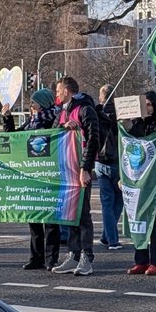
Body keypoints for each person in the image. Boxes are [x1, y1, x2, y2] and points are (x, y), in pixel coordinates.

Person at [51, 76, 100, 276]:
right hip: (66, 169)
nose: (56, 94)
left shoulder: (85, 110)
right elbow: (52, 134)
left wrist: (85, 168)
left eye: (58, 90)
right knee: (70, 213)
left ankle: (87, 257)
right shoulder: (62, 111)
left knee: (83, 214)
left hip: (80, 169)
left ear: (67, 90)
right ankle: (73, 254)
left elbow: (94, 139)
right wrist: (63, 128)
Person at [126, 90, 156, 275]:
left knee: (154, 221)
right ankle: (141, 260)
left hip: (153, 180)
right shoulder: (136, 124)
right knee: (137, 220)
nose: (147, 108)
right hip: (136, 180)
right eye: (144, 104)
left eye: (150, 104)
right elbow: (126, 149)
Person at [20, 88, 63, 270]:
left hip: (49, 175)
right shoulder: (31, 121)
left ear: (43, 103)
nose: (31, 105)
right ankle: (36, 257)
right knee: (34, 218)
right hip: (32, 174)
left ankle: (51, 258)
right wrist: (7, 119)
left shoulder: (54, 120)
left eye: (34, 102)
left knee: (51, 220)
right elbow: (13, 136)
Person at [95, 84, 124, 251]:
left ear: (101, 97)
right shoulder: (121, 113)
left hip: (101, 161)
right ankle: (111, 238)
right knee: (118, 201)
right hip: (118, 161)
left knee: (107, 202)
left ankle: (108, 237)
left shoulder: (96, 113)